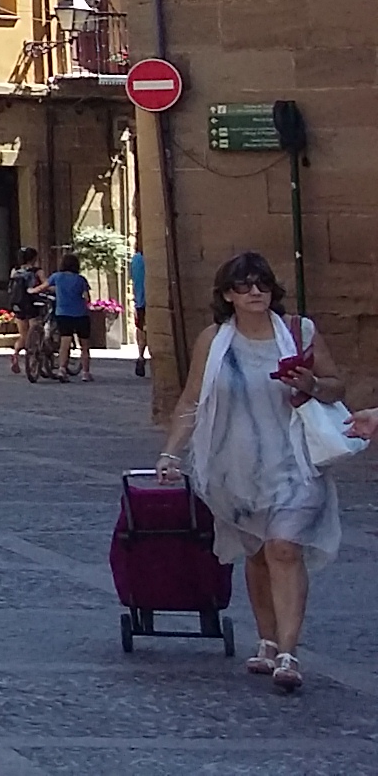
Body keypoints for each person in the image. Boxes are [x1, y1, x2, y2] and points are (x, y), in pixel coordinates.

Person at [158, 250, 347, 693]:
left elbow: (337, 384)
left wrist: (312, 385)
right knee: (259, 554)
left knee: (284, 547)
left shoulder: (299, 332)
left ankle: (288, 651)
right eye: (244, 286)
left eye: (262, 284)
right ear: (228, 295)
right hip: (236, 466)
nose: (255, 292)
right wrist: (170, 454)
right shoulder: (214, 340)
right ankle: (266, 639)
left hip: (296, 462)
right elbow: (191, 400)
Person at [46, 252, 94, 381]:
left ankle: (62, 369)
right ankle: (85, 373)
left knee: (64, 343)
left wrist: (32, 291)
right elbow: (87, 297)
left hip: (63, 313)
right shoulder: (80, 279)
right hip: (80, 314)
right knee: (84, 345)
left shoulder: (57, 277)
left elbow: (44, 287)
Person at [8, 246, 50, 378]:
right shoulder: (37, 271)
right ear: (34, 258)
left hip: (18, 305)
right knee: (36, 331)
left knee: (24, 335)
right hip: (33, 304)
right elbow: (45, 285)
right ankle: (33, 360)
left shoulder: (15, 271)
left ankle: (15, 354)